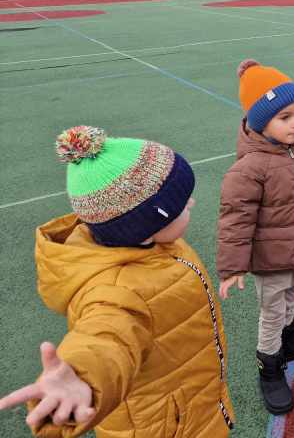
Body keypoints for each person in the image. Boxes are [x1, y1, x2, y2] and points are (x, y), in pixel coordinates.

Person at [0, 125, 234, 437]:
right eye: (180, 204)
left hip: (191, 404)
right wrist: (83, 378)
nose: (190, 203)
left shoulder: (156, 244)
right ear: (147, 222)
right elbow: (107, 336)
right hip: (164, 427)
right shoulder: (115, 291)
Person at [216, 60, 294, 414]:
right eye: (284, 117)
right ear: (261, 122)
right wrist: (232, 268)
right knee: (272, 312)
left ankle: (290, 339)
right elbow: (235, 220)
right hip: (271, 259)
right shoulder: (249, 168)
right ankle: (269, 367)